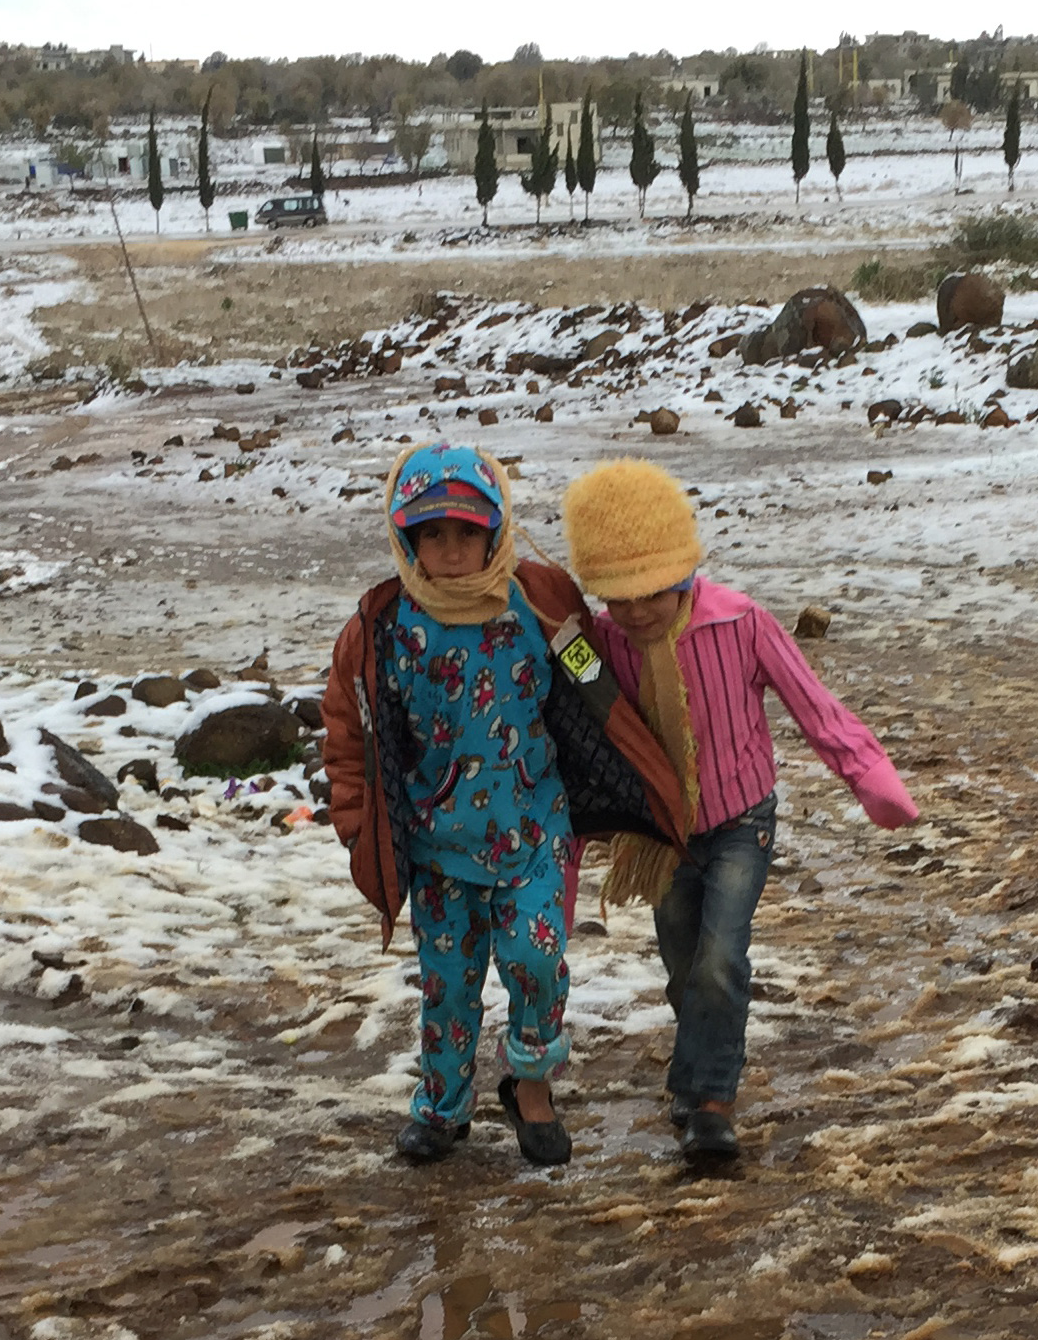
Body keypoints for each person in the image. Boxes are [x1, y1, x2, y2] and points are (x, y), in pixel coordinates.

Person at [323, 444, 690, 1167]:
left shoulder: (540, 601)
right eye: (433, 535)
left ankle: (530, 1088)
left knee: (536, 959)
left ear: (495, 533)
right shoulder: (381, 625)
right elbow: (347, 727)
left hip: (532, 832)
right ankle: (443, 1105)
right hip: (434, 846)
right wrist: (354, 820)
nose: (451, 550)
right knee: (448, 981)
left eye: (466, 532)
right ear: (407, 539)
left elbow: (595, 682)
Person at [559, 459, 918, 1170]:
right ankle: (699, 1080)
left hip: (739, 820)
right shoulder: (596, 645)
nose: (634, 613)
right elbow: (566, 709)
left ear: (684, 571)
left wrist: (869, 776)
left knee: (720, 960)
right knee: (682, 965)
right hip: (659, 831)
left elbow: (813, 704)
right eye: (616, 598)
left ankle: (708, 1103)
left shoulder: (742, 622)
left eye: (650, 594)